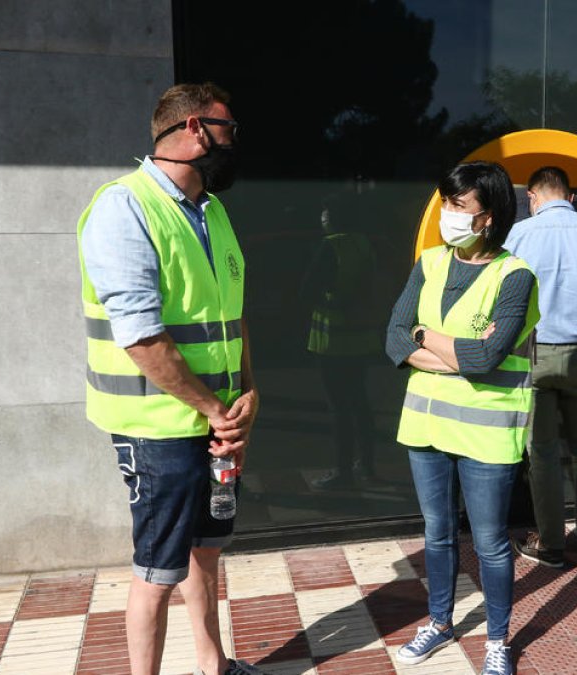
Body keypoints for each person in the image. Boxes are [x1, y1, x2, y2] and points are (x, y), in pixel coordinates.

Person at [77, 83, 261, 675]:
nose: (235, 142)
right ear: (195, 130)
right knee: (158, 570)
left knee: (206, 551)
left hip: (216, 422)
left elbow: (232, 313)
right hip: (157, 428)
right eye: (229, 129)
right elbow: (141, 338)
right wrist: (215, 410)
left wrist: (247, 393)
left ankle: (214, 666)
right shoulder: (124, 207)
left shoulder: (212, 210)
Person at [385, 161, 538, 675]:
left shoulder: (515, 276)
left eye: (458, 205)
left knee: (491, 543)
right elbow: (393, 338)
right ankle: (439, 622)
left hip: (488, 431)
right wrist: (451, 351)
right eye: (446, 203)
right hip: (426, 425)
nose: (446, 214)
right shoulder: (429, 262)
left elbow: (487, 358)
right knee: (437, 533)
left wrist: (423, 336)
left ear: (487, 217)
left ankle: (497, 639)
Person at [504, 166, 577, 571]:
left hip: (532, 354)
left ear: (532, 197)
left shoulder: (518, 235)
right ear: (571, 198)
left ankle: (551, 545)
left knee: (541, 454)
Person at [302, 197, 378, 490]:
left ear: (332, 217)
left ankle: (342, 471)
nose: (322, 217)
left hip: (332, 341)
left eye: (325, 213)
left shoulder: (330, 246)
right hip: (362, 338)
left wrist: (328, 300)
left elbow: (307, 290)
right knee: (360, 402)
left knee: (339, 408)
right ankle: (367, 466)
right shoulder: (363, 243)